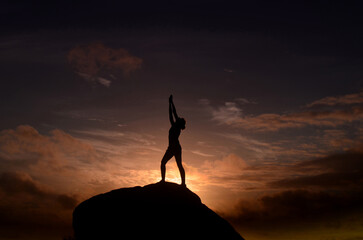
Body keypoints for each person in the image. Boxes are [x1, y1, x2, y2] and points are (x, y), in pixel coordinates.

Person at [160, 95, 186, 187]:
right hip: (172, 148)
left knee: (178, 165)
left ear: (179, 122)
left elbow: (173, 113)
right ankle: (163, 180)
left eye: (179, 119)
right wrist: (170, 103)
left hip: (175, 148)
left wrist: (171, 103)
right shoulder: (174, 125)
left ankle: (183, 183)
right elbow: (171, 114)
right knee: (164, 163)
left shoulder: (176, 127)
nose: (177, 118)